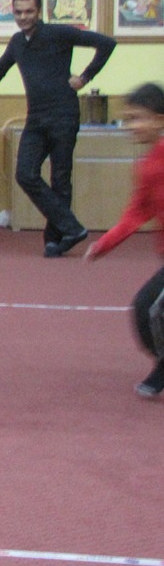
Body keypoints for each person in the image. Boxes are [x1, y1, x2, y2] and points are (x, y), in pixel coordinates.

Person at [0, 0, 117, 257]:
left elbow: (107, 44)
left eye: (29, 11)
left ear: (39, 11)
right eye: (18, 12)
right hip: (36, 118)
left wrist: (85, 77)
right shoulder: (17, 42)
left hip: (64, 115)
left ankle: (55, 240)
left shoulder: (58, 33)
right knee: (25, 174)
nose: (23, 17)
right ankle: (71, 227)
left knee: (60, 179)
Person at [84, 84, 164, 397]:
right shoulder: (146, 167)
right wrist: (105, 244)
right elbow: (135, 214)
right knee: (144, 310)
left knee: (153, 309)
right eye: (127, 120)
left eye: (137, 118)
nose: (130, 126)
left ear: (159, 119)